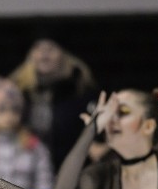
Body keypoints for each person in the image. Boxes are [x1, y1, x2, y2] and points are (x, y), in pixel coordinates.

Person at [9, 36, 98, 172]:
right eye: (38, 48)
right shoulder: (18, 92)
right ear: (30, 55)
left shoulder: (80, 91)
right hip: (27, 175)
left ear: (64, 54)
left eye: (51, 48)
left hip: (70, 173)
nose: (44, 54)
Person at [0, 76, 54, 189]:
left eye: (15, 109)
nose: (9, 115)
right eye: (1, 109)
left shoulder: (34, 146)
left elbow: (45, 186)